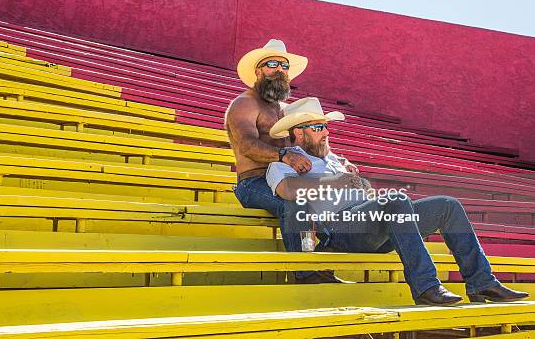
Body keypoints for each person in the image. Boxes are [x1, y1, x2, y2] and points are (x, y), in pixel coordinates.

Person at [265, 96, 530, 305]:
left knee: (447, 206)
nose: (326, 132)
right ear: (297, 132)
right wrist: (341, 182)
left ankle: (482, 282)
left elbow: (363, 194)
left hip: (372, 225)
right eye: (318, 127)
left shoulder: (335, 159)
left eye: (326, 126)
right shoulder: (282, 164)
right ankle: (426, 286)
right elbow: (289, 191)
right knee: (395, 200)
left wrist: (361, 187)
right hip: (340, 230)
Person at [225, 39, 353, 284]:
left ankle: (323, 264)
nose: (279, 69)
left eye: (284, 65)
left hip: (289, 176)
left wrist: (339, 161)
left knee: (340, 198)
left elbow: (312, 141)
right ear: (258, 71)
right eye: (272, 64)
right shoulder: (244, 104)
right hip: (254, 183)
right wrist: (284, 155)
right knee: (294, 200)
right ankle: (304, 271)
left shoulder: (287, 110)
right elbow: (247, 145)